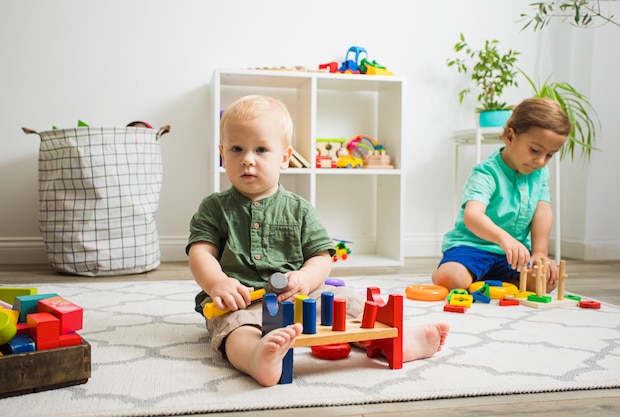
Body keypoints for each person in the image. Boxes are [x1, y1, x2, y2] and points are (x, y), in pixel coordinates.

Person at [187, 94, 449, 387]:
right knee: (234, 330)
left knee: (347, 301)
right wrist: (217, 284)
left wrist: (305, 278)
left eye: (261, 149)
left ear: (285, 157)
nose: (247, 159)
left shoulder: (299, 209)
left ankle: (397, 339)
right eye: (237, 149)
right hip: (241, 303)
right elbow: (200, 252)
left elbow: (321, 258)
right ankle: (257, 358)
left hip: (300, 297)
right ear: (223, 154)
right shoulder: (214, 207)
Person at [432, 98, 571, 294]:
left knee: (545, 282)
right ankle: (474, 275)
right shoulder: (486, 172)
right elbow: (472, 215)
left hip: (515, 255)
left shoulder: (539, 174)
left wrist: (540, 253)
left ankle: (494, 279)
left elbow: (543, 209)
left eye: (550, 155)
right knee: (451, 279)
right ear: (510, 137)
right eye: (535, 150)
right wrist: (503, 239)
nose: (540, 161)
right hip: (473, 247)